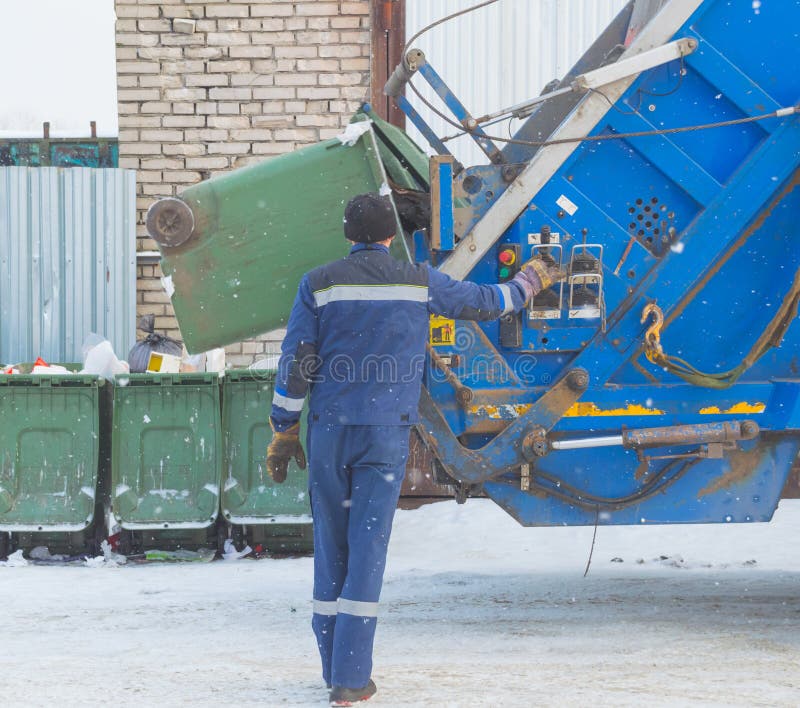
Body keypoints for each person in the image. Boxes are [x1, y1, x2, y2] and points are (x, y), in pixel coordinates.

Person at [267, 192, 563, 706]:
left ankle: (332, 668)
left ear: (348, 235)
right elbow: (488, 303)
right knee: (367, 548)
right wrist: (531, 279)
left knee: (331, 546)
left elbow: (298, 362)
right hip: (384, 433)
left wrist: (284, 429)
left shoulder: (317, 284)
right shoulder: (418, 280)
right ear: (389, 236)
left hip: (331, 430)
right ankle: (350, 680)